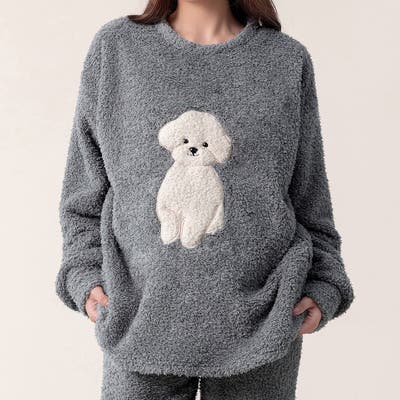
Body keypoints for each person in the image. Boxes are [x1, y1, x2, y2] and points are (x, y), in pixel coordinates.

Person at [55, 0, 355, 398]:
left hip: (263, 324)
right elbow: (84, 188)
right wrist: (84, 274)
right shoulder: (117, 48)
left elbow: (309, 194)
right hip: (140, 320)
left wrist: (324, 284)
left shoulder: (285, 60)